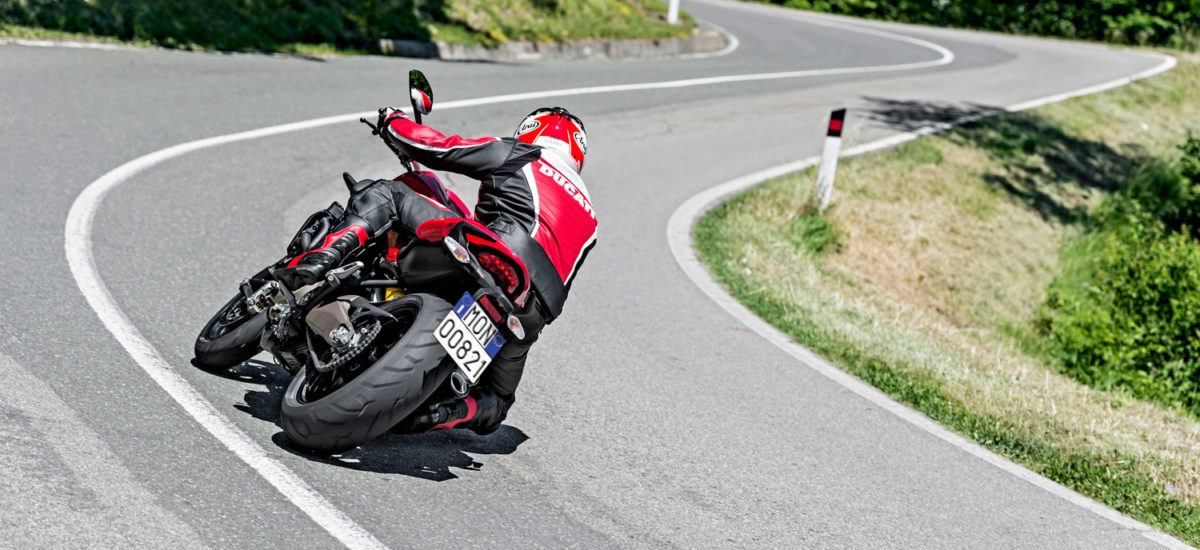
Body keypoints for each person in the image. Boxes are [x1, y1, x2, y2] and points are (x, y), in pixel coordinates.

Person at [274, 106, 597, 435]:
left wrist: (393, 121)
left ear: (529, 130)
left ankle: (321, 258)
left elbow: (441, 148)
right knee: (498, 402)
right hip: (528, 310)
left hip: (490, 253)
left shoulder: (524, 155)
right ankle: (438, 414)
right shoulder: (590, 217)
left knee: (389, 193)